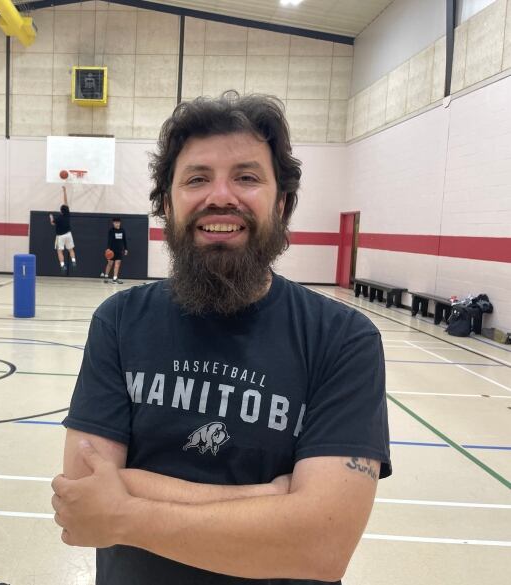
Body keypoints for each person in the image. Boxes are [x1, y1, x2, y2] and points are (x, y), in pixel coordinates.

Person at [52, 92, 391, 585]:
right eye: (197, 178)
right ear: (166, 204)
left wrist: (125, 507)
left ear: (283, 202)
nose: (221, 196)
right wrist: (273, 499)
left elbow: (321, 544)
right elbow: (84, 498)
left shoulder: (342, 339)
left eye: (247, 177)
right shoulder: (119, 321)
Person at [50, 185, 77, 274]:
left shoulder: (58, 218)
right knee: (71, 249)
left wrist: (51, 217)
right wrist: (64, 191)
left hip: (60, 237)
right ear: (66, 210)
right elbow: (66, 202)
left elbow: (52, 223)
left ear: (61, 211)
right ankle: (73, 260)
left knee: (59, 251)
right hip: (68, 235)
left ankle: (62, 265)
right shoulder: (68, 214)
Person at [101, 217, 128, 284]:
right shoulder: (111, 230)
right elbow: (109, 240)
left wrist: (126, 249)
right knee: (110, 264)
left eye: (118, 222)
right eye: (115, 222)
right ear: (113, 223)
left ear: (120, 223)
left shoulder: (122, 230)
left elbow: (124, 240)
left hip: (119, 250)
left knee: (117, 264)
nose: (117, 224)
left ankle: (115, 278)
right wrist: (108, 249)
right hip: (112, 251)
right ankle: (106, 276)